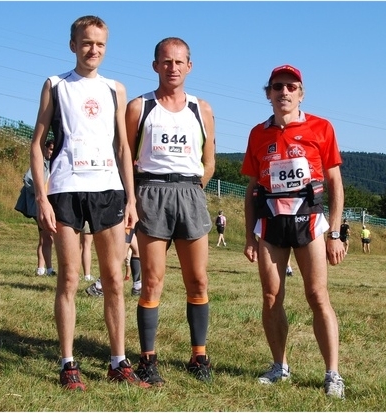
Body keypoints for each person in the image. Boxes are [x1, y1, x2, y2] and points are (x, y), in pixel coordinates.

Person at [29, 15, 149, 391]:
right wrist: (41, 196)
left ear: (106, 47)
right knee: (68, 278)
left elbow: (123, 147)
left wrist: (131, 198)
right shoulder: (55, 85)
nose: (92, 49)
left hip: (108, 190)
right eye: (86, 43)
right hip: (65, 189)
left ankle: (118, 362)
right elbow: (37, 143)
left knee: (113, 278)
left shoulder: (115, 89)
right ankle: (68, 363)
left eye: (99, 44)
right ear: (73, 45)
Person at [241, 64, 346, 399]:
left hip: (309, 221)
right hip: (271, 221)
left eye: (290, 87)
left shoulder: (321, 127)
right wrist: (248, 236)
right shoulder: (258, 134)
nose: (283, 92)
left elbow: (335, 183)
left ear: (301, 94)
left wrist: (335, 234)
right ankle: (279, 365)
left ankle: (332, 373)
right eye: (277, 87)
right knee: (271, 296)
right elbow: (251, 188)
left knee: (317, 295)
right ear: (268, 94)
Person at [125, 37, 215, 385]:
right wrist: (133, 199)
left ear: (189, 66)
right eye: (166, 61)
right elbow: (125, 157)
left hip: (189, 193)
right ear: (155, 66)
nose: (172, 68)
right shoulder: (140, 107)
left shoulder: (201, 108)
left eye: (178, 62)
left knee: (198, 280)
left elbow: (209, 162)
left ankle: (199, 356)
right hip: (151, 192)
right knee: (151, 281)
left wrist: (192, 190)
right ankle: (147, 359)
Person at [15, 139, 56, 276]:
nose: (52, 152)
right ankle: (46, 269)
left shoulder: (55, 164)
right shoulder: (40, 163)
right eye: (50, 149)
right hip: (40, 207)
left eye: (54, 150)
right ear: (45, 149)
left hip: (51, 206)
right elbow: (27, 180)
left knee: (45, 238)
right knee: (47, 237)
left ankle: (42, 268)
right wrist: (40, 193)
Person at [125, 228, 142, 296]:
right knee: (120, 254)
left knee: (137, 250)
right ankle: (99, 285)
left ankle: (137, 287)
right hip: (126, 225)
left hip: (131, 227)